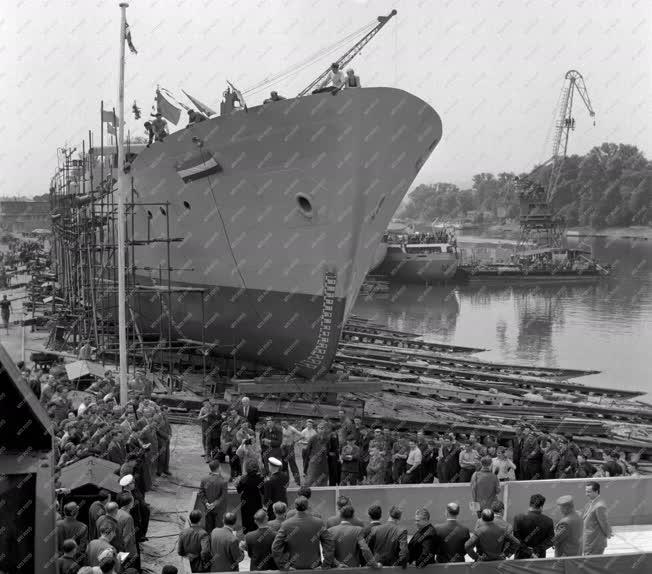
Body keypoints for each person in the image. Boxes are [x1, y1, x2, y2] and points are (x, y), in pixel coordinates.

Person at [271, 496, 335, 569]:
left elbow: (275, 547)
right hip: (314, 567)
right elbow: (329, 543)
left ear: (295, 507)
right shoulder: (319, 522)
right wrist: (326, 564)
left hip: (294, 567)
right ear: (308, 506)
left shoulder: (286, 524)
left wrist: (284, 566)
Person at [513, 493, 554, 559]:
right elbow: (551, 540)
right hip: (539, 557)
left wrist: (528, 551)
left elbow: (516, 539)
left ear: (530, 504)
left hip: (521, 557)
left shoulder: (518, 518)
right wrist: (537, 550)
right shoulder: (548, 521)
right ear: (541, 507)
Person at [198, 460, 228, 534]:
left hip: (208, 508)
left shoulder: (204, 479)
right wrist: (214, 504)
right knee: (218, 530)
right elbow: (223, 496)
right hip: (219, 509)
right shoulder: (223, 480)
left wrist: (206, 503)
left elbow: (201, 493)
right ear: (219, 468)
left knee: (209, 528)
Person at [582, 481, 612, 555]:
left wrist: (608, 533)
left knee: (591, 564)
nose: (586, 494)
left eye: (589, 492)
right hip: (590, 541)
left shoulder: (599, 506)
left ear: (596, 491)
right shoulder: (592, 502)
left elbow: (604, 523)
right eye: (586, 491)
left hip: (595, 543)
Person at [235, 459, 265, 534]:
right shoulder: (260, 479)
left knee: (246, 521)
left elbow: (239, 491)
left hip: (245, 503)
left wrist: (237, 484)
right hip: (256, 502)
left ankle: (247, 537)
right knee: (257, 520)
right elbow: (263, 491)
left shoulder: (243, 479)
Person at [304, 421, 330, 486]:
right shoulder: (313, 438)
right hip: (314, 462)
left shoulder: (327, 439)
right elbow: (307, 451)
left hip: (324, 462)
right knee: (311, 480)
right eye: (319, 428)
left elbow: (328, 449)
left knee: (323, 480)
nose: (320, 430)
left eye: (322, 428)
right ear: (317, 429)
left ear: (325, 429)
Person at [279, 419, 302, 485]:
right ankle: (286, 481)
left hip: (290, 448)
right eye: (282, 423)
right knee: (284, 465)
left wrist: (294, 441)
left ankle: (297, 481)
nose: (283, 424)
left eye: (285, 423)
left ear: (287, 423)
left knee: (293, 465)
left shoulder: (292, 429)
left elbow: (301, 435)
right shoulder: (283, 429)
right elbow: (283, 438)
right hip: (284, 447)